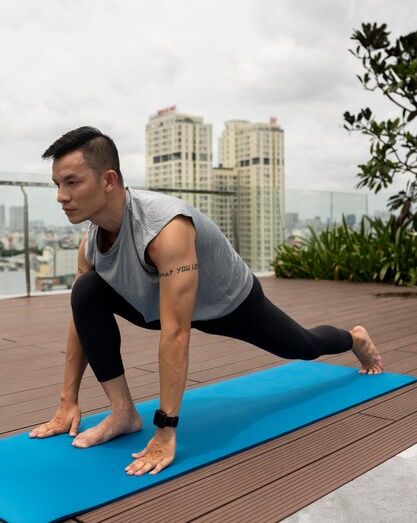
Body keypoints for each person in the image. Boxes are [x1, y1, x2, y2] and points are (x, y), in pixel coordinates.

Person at [29, 126, 384, 476]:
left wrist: (165, 431)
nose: (61, 196)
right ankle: (123, 412)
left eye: (72, 182)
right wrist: (66, 403)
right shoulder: (90, 242)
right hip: (155, 301)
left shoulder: (166, 228)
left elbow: (177, 333)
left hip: (228, 302)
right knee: (86, 292)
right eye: (57, 185)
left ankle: (354, 337)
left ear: (108, 180)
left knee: (300, 346)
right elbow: (81, 318)